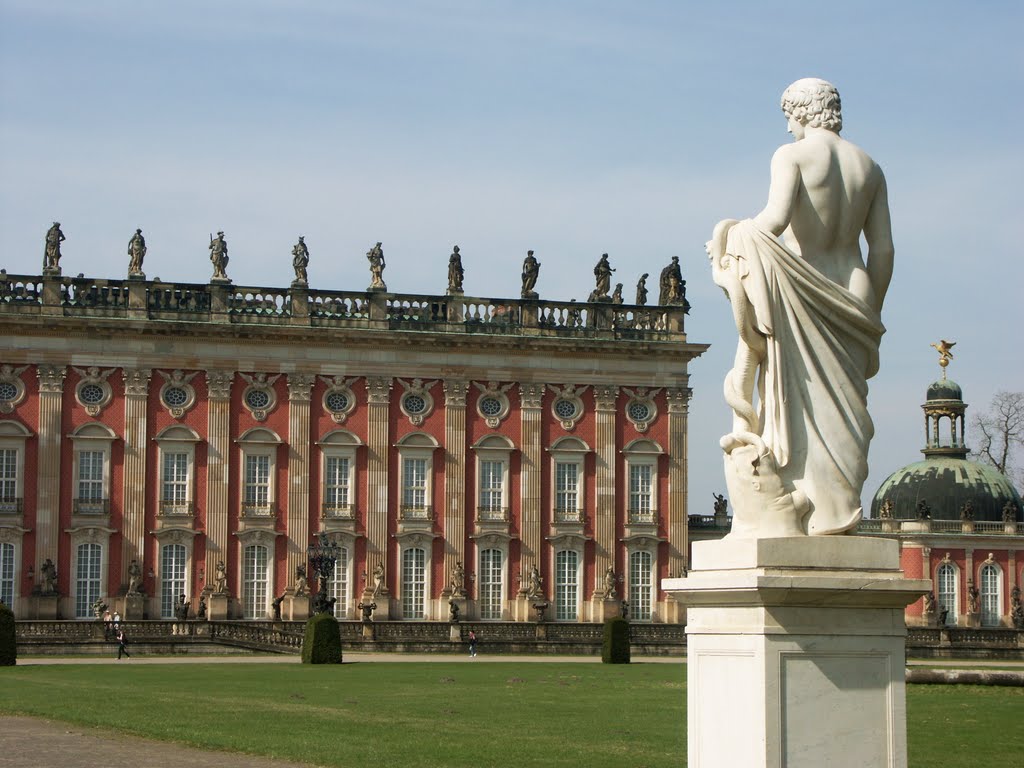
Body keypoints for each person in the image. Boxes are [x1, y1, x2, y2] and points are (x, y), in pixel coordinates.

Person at [707, 78, 893, 537]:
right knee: (847, 416)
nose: (788, 126)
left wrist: (728, 240)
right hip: (856, 289)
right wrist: (873, 314)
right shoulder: (870, 166)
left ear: (802, 112)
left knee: (802, 408)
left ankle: (808, 514)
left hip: (804, 289)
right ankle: (841, 511)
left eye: (789, 115)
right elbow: (883, 249)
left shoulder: (790, 156)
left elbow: (771, 223)